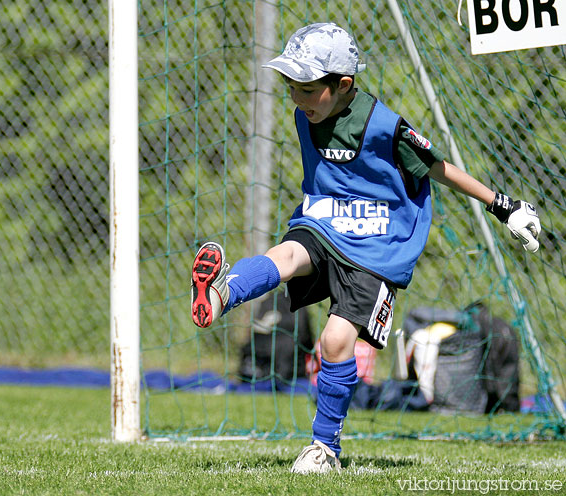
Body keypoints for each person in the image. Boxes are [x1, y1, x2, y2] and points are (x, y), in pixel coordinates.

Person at [189, 22, 540, 474]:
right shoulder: (305, 114)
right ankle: (221, 294)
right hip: (322, 221)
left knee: (335, 340)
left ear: (343, 85)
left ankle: (323, 448)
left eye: (307, 88)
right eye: (290, 86)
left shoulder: (386, 127)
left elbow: (438, 168)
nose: (296, 97)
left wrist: (502, 205)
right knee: (286, 256)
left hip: (376, 247)